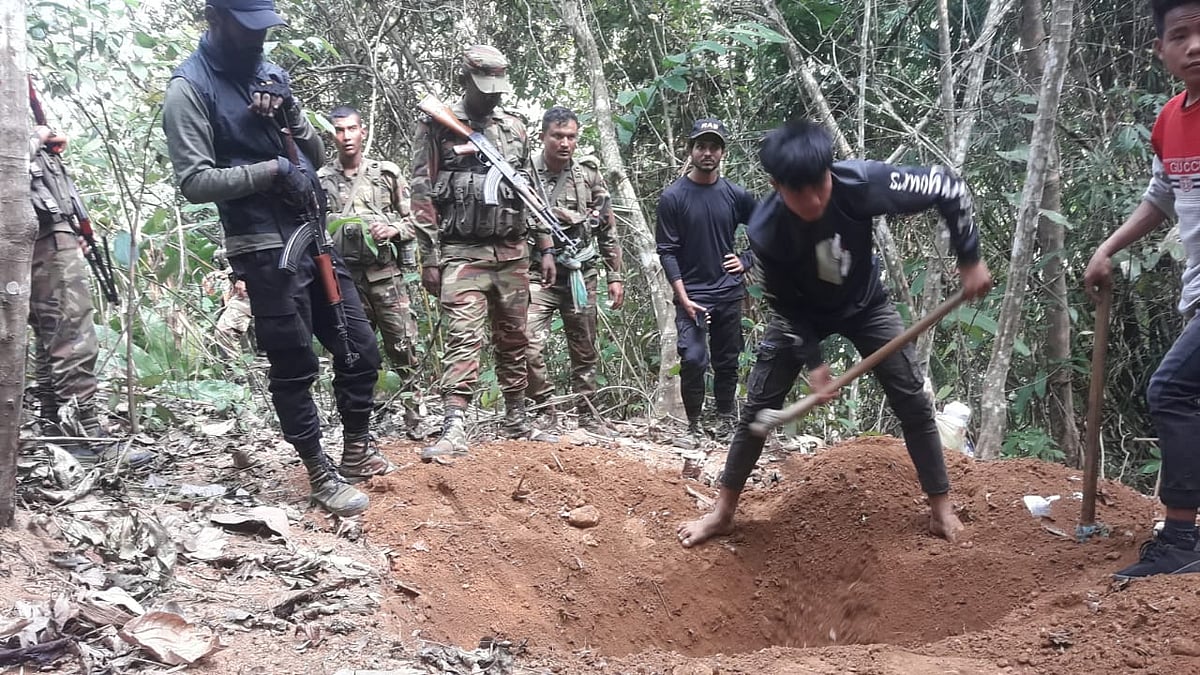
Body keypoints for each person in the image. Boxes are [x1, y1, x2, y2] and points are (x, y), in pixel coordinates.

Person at [677, 120, 993, 548]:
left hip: (866, 304)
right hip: (803, 313)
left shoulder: (860, 183)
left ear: (830, 170)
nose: (813, 200)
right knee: (757, 410)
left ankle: (941, 510)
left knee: (912, 400)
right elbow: (786, 305)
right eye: (798, 191)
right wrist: (815, 363)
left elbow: (947, 185)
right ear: (776, 185)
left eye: (819, 186)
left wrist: (969, 258)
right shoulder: (766, 230)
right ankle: (723, 513)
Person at [162, 0, 391, 517]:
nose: (257, 38)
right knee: (294, 363)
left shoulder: (268, 72)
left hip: (312, 235)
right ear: (216, 18)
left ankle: (357, 448)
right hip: (263, 247)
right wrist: (271, 171)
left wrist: (292, 115)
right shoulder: (189, 87)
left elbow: (314, 156)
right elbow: (195, 181)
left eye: (263, 28)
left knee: (359, 347)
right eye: (247, 28)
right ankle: (318, 471)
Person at [1084, 0, 1200, 579]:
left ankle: (1181, 539)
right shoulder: (1169, 121)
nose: (1195, 45)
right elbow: (1161, 196)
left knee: (1171, 390)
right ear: (1161, 50)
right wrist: (1107, 248)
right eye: (1181, 35)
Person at [411, 45, 555, 461]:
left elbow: (530, 190)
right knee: (464, 336)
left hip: (512, 250)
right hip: (462, 251)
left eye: (497, 88)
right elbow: (422, 191)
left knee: (515, 337)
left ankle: (516, 418)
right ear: (465, 80)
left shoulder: (514, 128)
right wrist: (429, 257)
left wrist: (545, 244)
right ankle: (454, 424)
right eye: (483, 87)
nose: (492, 95)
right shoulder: (437, 125)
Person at [27, 124, 154, 467]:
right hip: (40, 237)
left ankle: (58, 428)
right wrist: (37, 136)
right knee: (72, 335)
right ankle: (85, 435)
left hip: (50, 232)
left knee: (51, 335)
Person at [318, 105, 429, 440]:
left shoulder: (386, 174)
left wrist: (393, 229)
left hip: (386, 276)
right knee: (353, 353)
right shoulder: (321, 180)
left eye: (351, 129)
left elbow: (417, 219)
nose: (346, 136)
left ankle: (415, 414)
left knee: (404, 346)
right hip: (344, 281)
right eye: (339, 130)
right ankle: (360, 423)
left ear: (362, 131)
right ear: (332, 136)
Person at [524, 107, 624, 433]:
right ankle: (544, 410)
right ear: (543, 136)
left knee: (585, 347)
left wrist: (615, 276)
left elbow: (607, 228)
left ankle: (589, 413)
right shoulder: (525, 174)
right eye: (557, 136)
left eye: (571, 137)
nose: (565, 143)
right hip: (538, 274)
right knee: (527, 342)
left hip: (581, 274)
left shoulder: (588, 175)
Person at [656, 118, 757, 440]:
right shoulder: (673, 197)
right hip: (692, 294)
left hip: (727, 290)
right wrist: (683, 296)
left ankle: (725, 420)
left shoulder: (735, 195)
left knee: (727, 360)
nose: (708, 153)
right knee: (694, 358)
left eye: (714, 147)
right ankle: (694, 425)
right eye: (701, 146)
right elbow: (667, 251)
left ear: (722, 152)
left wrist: (746, 259)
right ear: (691, 150)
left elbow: (768, 226)